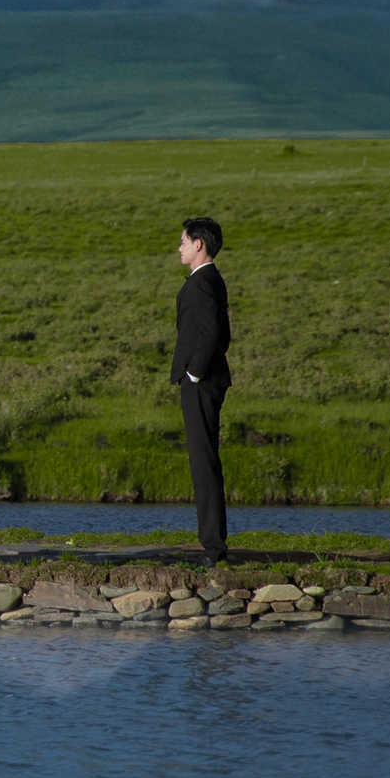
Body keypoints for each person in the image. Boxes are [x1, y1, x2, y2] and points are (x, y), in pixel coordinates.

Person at [174, 217, 233, 564]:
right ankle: (214, 543)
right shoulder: (212, 280)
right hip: (208, 379)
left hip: (201, 381)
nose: (179, 247)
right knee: (206, 460)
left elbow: (211, 334)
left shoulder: (201, 283)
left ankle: (213, 547)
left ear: (199, 244)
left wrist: (193, 372)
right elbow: (222, 334)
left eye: (183, 241)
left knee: (203, 463)